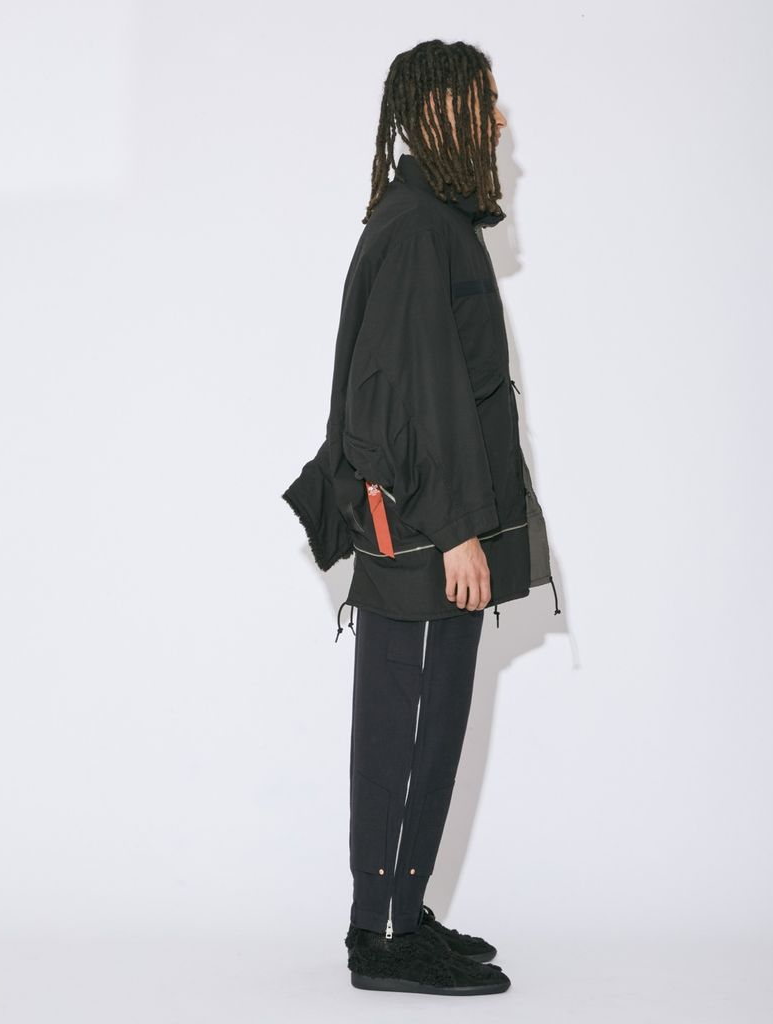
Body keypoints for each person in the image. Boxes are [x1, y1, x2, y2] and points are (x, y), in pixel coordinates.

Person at [281, 38, 559, 996]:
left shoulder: (434, 221)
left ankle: (402, 909)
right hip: (425, 535)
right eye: (487, 99)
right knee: (407, 726)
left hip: (430, 528)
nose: (501, 119)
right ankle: (385, 936)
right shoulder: (414, 230)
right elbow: (398, 400)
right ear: (441, 111)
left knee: (430, 722)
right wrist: (455, 530)